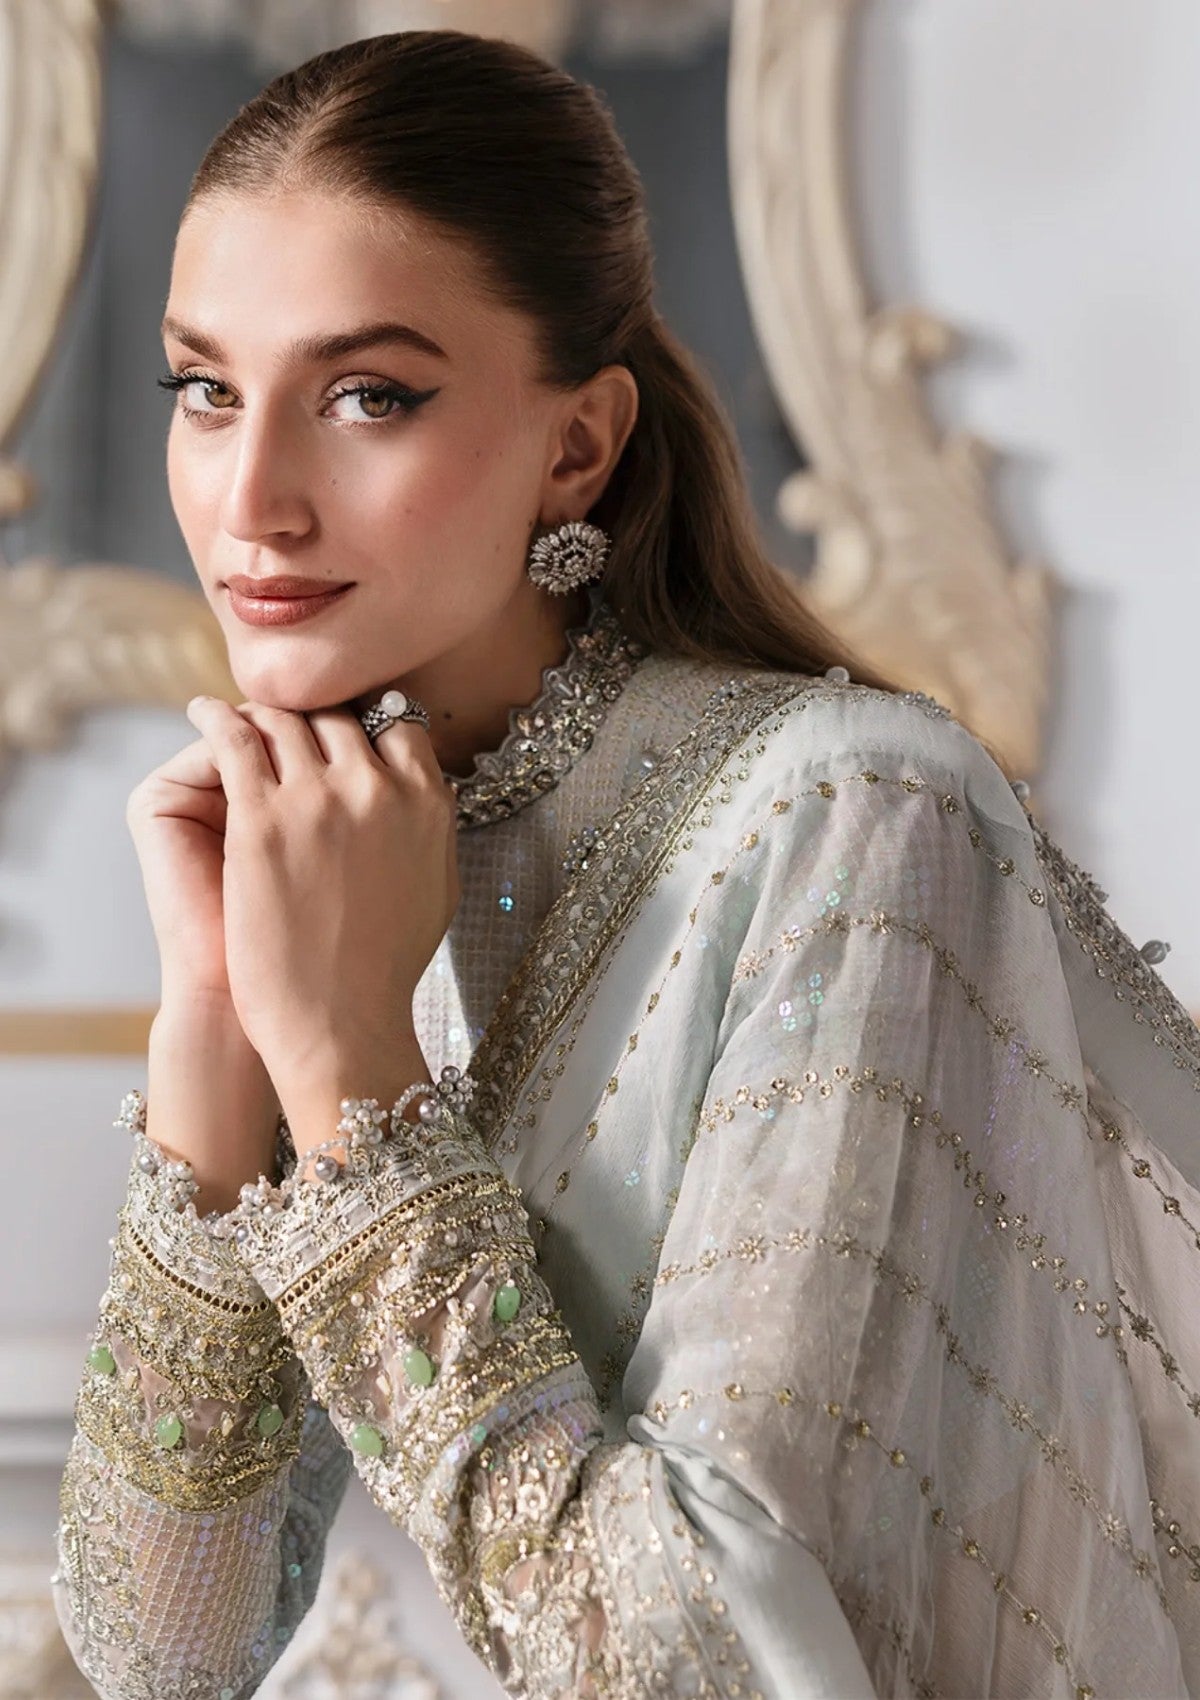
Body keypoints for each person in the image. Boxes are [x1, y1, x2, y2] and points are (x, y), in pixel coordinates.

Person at [50, 26, 1200, 1700]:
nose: (253, 502)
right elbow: (162, 1651)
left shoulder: (852, 812)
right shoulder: (333, 858)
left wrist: (354, 1074)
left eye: (369, 396)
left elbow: (699, 1662)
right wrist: (222, 1013)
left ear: (577, 446)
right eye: (207, 390)